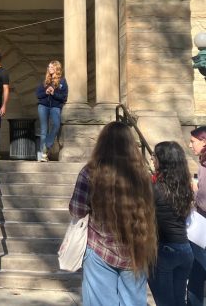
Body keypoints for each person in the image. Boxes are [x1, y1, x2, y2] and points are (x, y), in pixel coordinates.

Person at [69, 121, 157, 306]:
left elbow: (77, 209)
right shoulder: (142, 174)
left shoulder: (90, 172)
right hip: (136, 247)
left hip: (100, 247)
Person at [147, 141, 194, 306]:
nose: (152, 159)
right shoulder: (184, 186)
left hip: (165, 251)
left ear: (163, 160)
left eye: (154, 155)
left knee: (165, 303)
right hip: (184, 250)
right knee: (178, 302)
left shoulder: (155, 188)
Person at [187, 126, 206, 306]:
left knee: (198, 271)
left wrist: (194, 191)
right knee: (197, 272)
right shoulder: (202, 162)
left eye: (193, 141)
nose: (190, 145)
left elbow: (204, 200)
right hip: (201, 225)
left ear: (204, 141)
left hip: (203, 226)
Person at [36, 60, 68, 162]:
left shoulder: (62, 81)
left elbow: (63, 97)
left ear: (56, 68)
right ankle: (43, 155)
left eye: (51, 67)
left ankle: (46, 146)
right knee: (44, 130)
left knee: (56, 125)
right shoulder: (45, 81)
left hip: (55, 107)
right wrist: (46, 92)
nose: (49, 68)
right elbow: (38, 95)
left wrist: (54, 93)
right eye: (48, 67)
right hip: (43, 106)